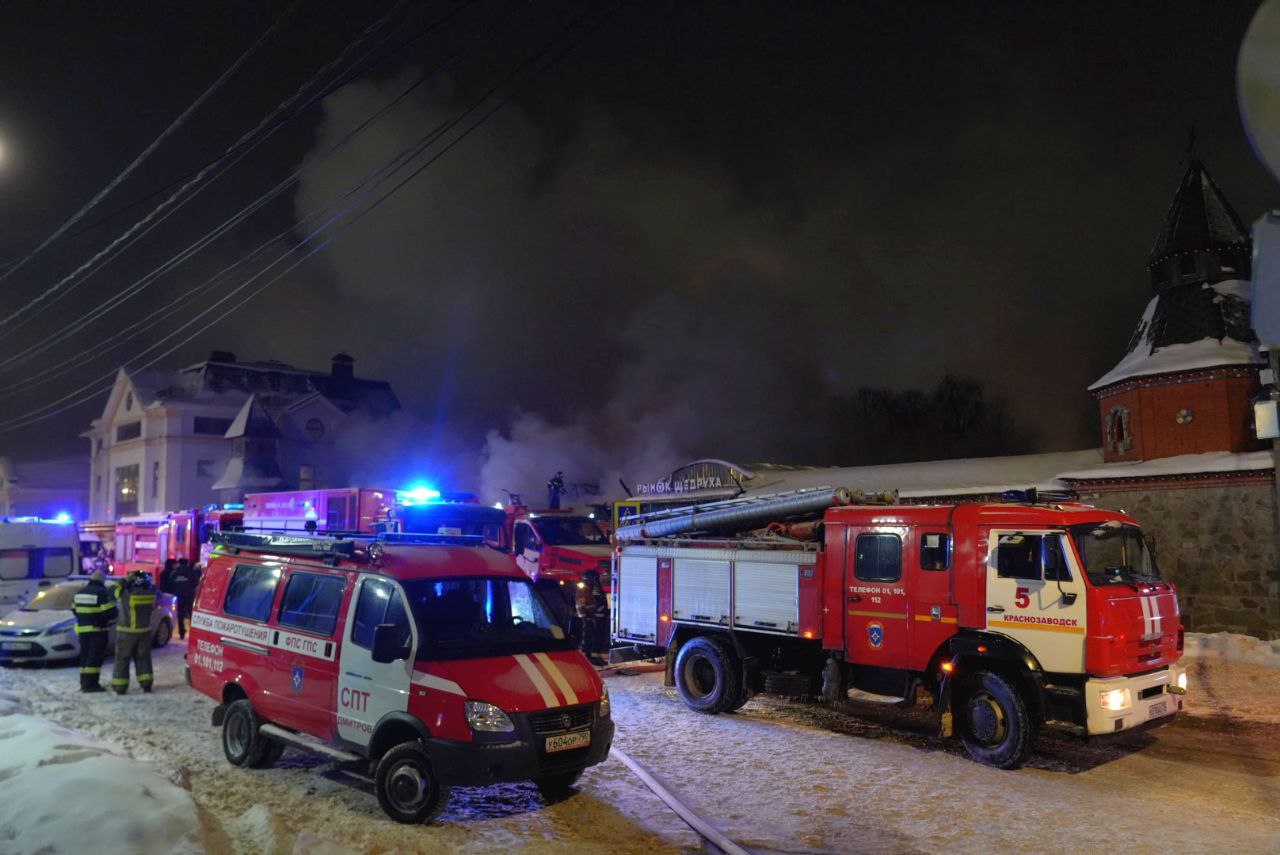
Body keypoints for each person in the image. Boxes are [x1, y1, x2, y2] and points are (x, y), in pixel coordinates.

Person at [111, 570, 157, 694]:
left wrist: (123, 581)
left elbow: (114, 593)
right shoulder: (151, 593)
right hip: (144, 632)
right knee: (144, 658)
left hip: (127, 631)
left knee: (122, 659)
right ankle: (146, 684)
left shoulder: (127, 594)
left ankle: (120, 687)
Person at [72, 570, 116, 693]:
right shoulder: (102, 593)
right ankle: (91, 685)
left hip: (82, 630)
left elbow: (74, 610)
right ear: (102, 580)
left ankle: (84, 682)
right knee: (95, 658)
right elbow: (110, 613)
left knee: (85, 656)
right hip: (98, 630)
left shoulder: (79, 592)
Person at [574, 569, 609, 665]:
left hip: (597, 618)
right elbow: (581, 605)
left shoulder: (595, 588)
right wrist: (586, 617)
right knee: (588, 639)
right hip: (590, 618)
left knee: (597, 638)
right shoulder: (584, 589)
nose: (597, 580)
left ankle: (594, 657)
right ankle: (588, 658)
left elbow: (600, 602)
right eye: (596, 578)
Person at [168, 557, 200, 639]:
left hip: (179, 595)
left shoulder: (175, 572)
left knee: (180, 615)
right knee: (191, 614)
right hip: (189, 595)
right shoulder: (191, 571)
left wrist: (177, 588)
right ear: (187, 563)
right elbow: (196, 582)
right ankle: (194, 633)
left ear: (179, 563)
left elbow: (170, 582)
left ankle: (182, 632)